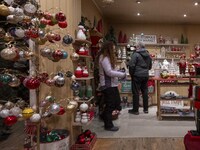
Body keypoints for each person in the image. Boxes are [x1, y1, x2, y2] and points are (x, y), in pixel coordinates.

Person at [98, 41, 126, 131]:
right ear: (109, 48)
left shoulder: (107, 58)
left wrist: (118, 72)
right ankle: (108, 125)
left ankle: (104, 116)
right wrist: (121, 75)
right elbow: (109, 72)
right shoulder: (104, 58)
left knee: (116, 103)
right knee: (110, 105)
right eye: (113, 48)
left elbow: (111, 70)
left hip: (112, 84)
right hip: (107, 85)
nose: (114, 50)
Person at [128, 41, 152, 115]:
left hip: (137, 76)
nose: (135, 48)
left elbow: (131, 65)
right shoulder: (148, 55)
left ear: (138, 47)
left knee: (136, 92)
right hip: (145, 75)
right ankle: (146, 109)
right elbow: (150, 66)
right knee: (145, 92)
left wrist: (132, 74)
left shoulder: (136, 54)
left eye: (136, 46)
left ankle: (135, 110)